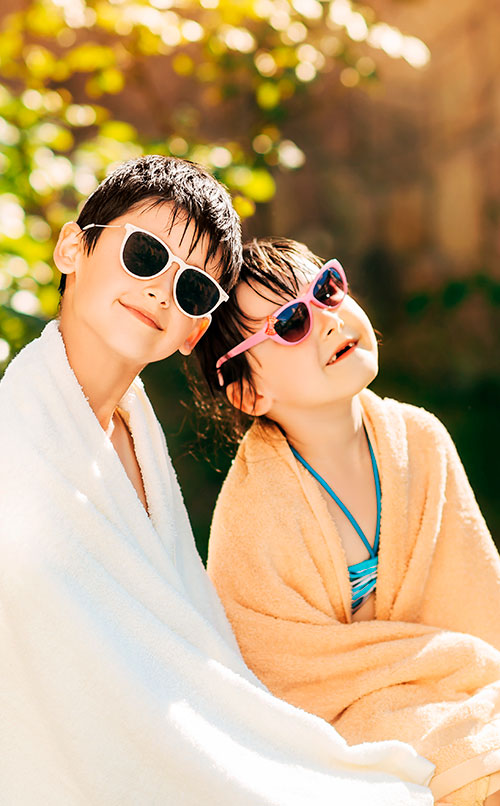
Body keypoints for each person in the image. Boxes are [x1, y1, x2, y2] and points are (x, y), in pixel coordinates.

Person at [0, 157, 435, 805]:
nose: (158, 292)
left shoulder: (134, 441)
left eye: (192, 290)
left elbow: (183, 656)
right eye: (144, 255)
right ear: (73, 246)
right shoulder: (19, 436)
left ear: (192, 331)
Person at [195, 236, 500, 806]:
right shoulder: (255, 511)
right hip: (337, 733)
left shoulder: (420, 440)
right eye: (290, 323)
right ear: (248, 391)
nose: (328, 320)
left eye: (327, 290)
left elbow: (476, 606)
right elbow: (280, 681)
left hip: (455, 694)